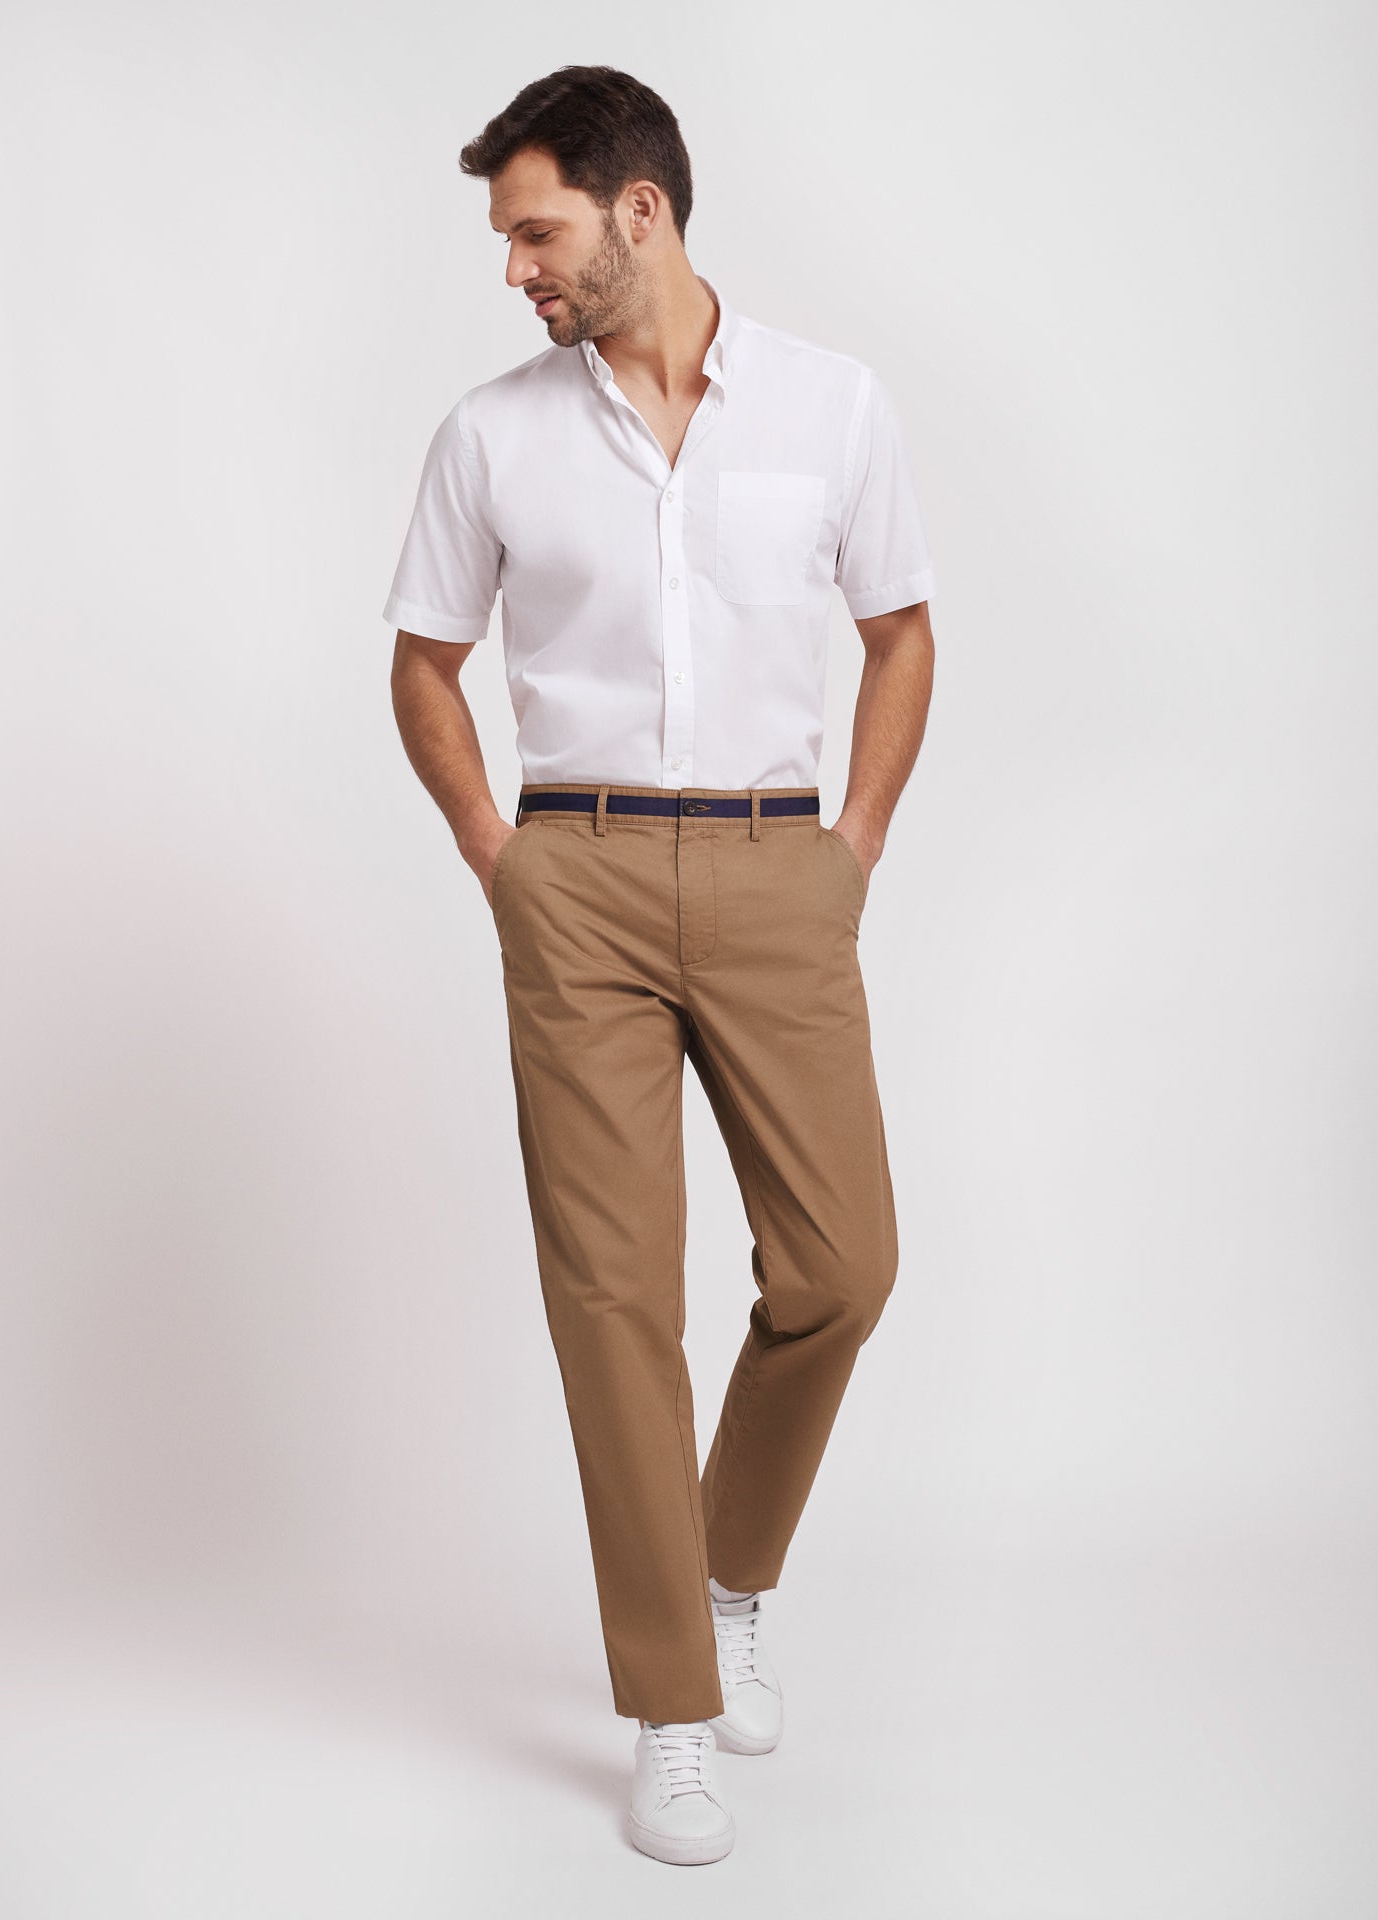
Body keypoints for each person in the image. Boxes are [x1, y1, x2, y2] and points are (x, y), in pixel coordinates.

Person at [384, 65, 936, 1866]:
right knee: (615, 1299)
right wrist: (503, 861)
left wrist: (852, 849)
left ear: (641, 211)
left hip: (783, 872)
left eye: (535, 231)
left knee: (842, 1266)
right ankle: (671, 1705)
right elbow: (423, 663)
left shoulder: (834, 407)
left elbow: (902, 632)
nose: (516, 269)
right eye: (506, 240)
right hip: (582, 876)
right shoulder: (491, 436)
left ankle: (728, 1571)